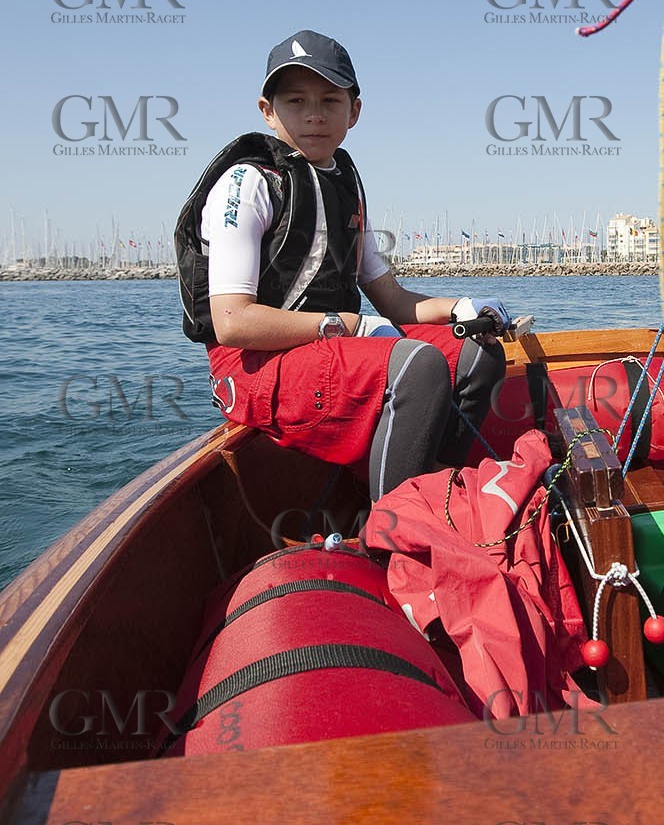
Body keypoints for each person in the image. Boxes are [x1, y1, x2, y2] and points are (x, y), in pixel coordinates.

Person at [175, 29, 509, 498]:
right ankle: (395, 533)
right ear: (267, 112)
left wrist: (462, 308)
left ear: (354, 111)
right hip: (252, 363)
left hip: (326, 348)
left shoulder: (345, 183)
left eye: (330, 100)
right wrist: (346, 326)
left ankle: (433, 485)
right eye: (295, 101)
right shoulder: (247, 184)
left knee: (479, 354)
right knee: (418, 365)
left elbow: (392, 300)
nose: (313, 115)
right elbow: (231, 323)